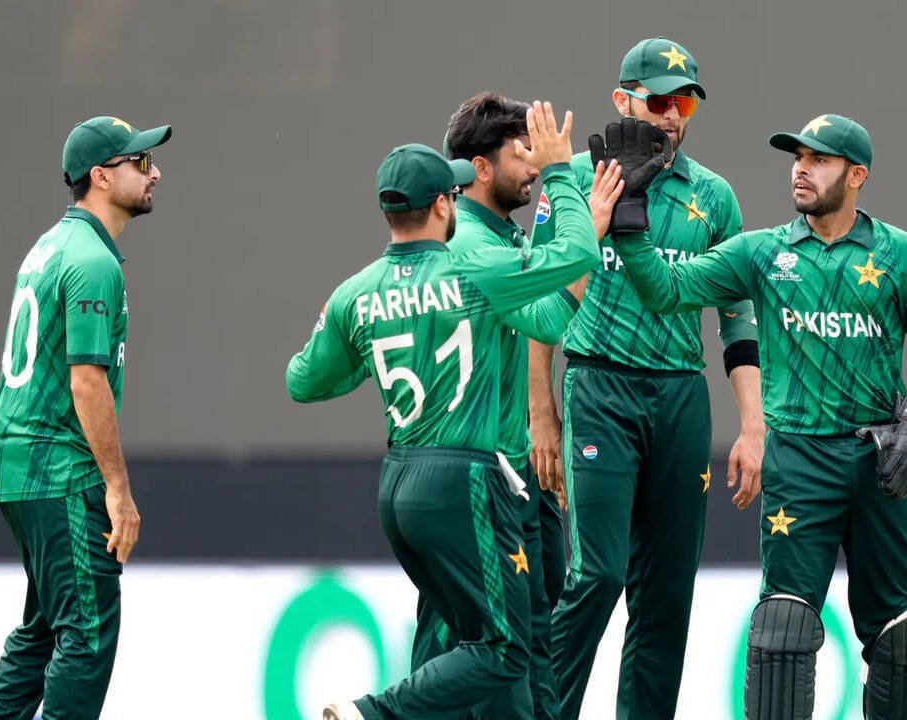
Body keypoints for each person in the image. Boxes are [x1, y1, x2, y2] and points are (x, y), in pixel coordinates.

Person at [606, 113, 907, 720]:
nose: (801, 169)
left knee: (898, 639)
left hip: (881, 463)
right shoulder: (761, 252)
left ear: (857, 175)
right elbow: (664, 289)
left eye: (818, 160)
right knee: (783, 632)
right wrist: (631, 218)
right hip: (799, 462)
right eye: (798, 157)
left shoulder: (900, 254)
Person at [286, 102, 605, 720]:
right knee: (501, 648)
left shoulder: (356, 291)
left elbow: (303, 380)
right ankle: (371, 713)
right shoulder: (473, 265)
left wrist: (366, 349)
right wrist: (561, 175)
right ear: (442, 204)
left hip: (397, 480)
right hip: (467, 477)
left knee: (456, 637)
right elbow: (573, 256)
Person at [529, 37, 763, 719]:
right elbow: (537, 300)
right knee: (597, 575)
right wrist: (540, 412)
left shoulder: (713, 196)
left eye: (683, 103)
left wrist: (753, 425)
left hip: (680, 397)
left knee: (665, 598)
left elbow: (737, 318)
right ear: (621, 99)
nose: (670, 116)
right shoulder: (571, 180)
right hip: (598, 388)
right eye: (658, 101)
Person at [409, 91, 624, 720]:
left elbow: (546, 313)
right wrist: (565, 185)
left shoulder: (495, 234)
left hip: (504, 471)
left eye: (536, 154)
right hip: (468, 476)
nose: (531, 165)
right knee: (463, 638)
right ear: (480, 167)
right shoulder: (471, 244)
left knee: (529, 637)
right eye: (520, 153)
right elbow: (552, 306)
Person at [0, 115, 169, 720]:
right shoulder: (92, 261)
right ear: (101, 176)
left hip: (18, 458)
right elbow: (86, 380)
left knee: (43, 631)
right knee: (86, 633)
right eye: (140, 162)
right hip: (55, 465)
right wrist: (118, 489)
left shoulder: (53, 245)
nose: (155, 172)